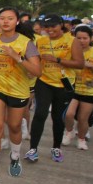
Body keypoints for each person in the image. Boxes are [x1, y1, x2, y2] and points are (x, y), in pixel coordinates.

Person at [0, 8, 41, 184]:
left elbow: (38, 71)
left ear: (17, 21)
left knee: (14, 127)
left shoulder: (26, 43)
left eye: (10, 18)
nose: (5, 21)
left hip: (17, 90)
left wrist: (17, 58)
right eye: (2, 18)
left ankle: (14, 157)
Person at [26, 14, 84, 164]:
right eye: (47, 27)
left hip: (64, 84)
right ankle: (33, 149)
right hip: (44, 82)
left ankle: (56, 148)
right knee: (40, 113)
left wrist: (58, 60)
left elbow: (80, 64)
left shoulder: (72, 41)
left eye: (53, 26)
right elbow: (36, 60)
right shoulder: (41, 41)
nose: (50, 29)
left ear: (61, 25)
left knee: (58, 117)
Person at [64, 25, 93, 151]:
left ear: (90, 38)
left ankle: (81, 139)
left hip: (91, 90)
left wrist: (92, 67)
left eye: (85, 38)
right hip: (73, 87)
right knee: (68, 114)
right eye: (78, 38)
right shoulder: (70, 50)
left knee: (83, 118)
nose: (82, 41)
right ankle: (69, 132)